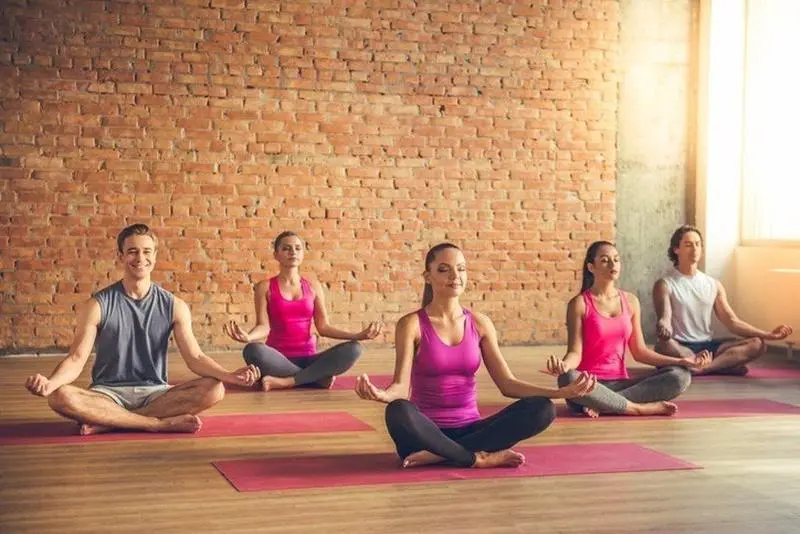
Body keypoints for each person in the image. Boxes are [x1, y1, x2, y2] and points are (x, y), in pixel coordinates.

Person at [355, 243, 597, 469]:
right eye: (444, 270)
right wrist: (382, 394)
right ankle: (475, 458)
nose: (454, 276)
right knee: (397, 410)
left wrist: (560, 394)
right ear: (428, 277)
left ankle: (442, 454)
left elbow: (507, 384)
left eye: (460, 269)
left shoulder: (480, 323)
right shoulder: (411, 324)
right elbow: (400, 387)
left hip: (473, 430)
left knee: (543, 409)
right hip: (425, 432)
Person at [24, 224, 261, 435]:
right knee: (60, 396)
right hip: (107, 394)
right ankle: (155, 424)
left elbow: (195, 357)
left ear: (155, 256)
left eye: (147, 252)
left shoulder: (174, 306)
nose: (140, 258)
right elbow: (76, 358)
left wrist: (230, 377)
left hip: (155, 392)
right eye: (132, 251)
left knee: (215, 389)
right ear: (120, 256)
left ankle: (111, 423)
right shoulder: (96, 305)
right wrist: (50, 383)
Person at [546, 240, 711, 418]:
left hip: (622, 385)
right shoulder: (579, 304)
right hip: (588, 385)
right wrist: (564, 366)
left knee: (680, 376)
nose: (612, 264)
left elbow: (640, 352)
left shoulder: (631, 301)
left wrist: (682, 362)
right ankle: (638, 408)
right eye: (604, 260)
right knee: (567, 378)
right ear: (591, 267)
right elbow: (575, 353)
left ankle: (607, 404)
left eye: (616, 260)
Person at [224, 231, 382, 391]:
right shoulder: (264, 287)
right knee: (252, 350)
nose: (293, 252)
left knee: (354, 349)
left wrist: (357, 336)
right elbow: (263, 326)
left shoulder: (313, 285)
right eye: (286, 248)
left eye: (298, 248)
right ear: (276, 255)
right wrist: (248, 336)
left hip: (311, 358)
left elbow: (323, 327)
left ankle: (287, 381)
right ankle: (315, 379)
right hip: (278, 359)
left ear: (302, 254)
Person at [653, 225, 793, 375]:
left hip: (707, 346)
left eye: (698, 244)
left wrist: (768, 335)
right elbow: (665, 317)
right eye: (688, 245)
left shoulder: (713, 284)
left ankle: (701, 368)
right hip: (680, 346)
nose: (694, 249)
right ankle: (720, 365)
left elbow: (732, 321)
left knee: (757, 344)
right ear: (676, 249)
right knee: (663, 346)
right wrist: (663, 327)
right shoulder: (665, 284)